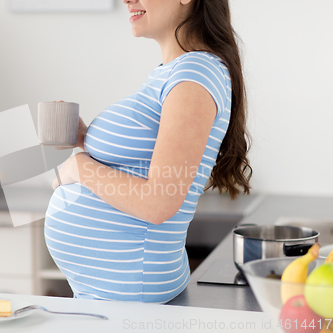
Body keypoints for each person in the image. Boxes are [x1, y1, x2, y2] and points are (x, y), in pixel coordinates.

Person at [44, 0, 252, 303]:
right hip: (117, 294)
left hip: (133, 295)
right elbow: (144, 156)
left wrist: (80, 168)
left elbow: (159, 202)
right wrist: (87, 140)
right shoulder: (176, 72)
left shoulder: (194, 74)